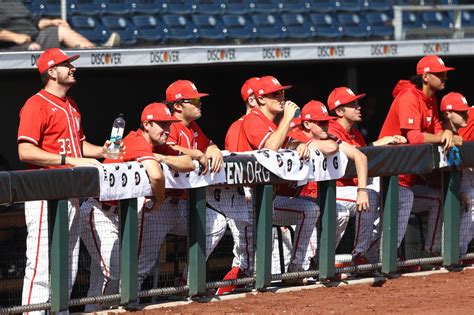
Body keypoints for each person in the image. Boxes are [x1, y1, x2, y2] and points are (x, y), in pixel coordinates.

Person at [17, 48, 112, 313]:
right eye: (66, 64)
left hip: (71, 194)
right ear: (51, 72)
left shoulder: (72, 105)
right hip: (43, 194)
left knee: (68, 264)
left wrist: (101, 152)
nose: (73, 68)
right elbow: (25, 151)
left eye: (71, 64)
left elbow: (78, 147)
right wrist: (69, 160)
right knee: (41, 265)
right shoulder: (36, 103)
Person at [80, 102, 195, 311]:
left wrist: (163, 157)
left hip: (119, 215)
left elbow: (190, 163)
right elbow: (157, 176)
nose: (168, 131)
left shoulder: (157, 145)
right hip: (98, 211)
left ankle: (95, 310)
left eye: (169, 125)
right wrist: (159, 200)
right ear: (147, 124)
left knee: (103, 275)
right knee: (114, 271)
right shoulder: (134, 141)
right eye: (162, 125)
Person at [237, 75, 319, 284]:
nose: (281, 98)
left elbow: (287, 141)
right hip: (246, 201)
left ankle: (296, 269)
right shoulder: (253, 118)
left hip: (268, 199)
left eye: (283, 93)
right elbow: (270, 148)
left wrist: (297, 145)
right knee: (247, 265)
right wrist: (287, 120)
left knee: (310, 210)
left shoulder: (271, 123)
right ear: (261, 99)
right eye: (276, 94)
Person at [379, 55, 455, 257]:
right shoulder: (409, 96)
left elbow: (438, 131)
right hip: (387, 176)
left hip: (406, 178)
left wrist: (446, 133)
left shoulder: (430, 99)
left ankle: (433, 252)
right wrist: (442, 137)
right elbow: (413, 137)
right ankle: (382, 257)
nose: (445, 77)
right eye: (440, 74)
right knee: (404, 199)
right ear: (426, 76)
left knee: (436, 198)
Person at [326, 87, 408, 263]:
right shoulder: (330, 129)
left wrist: (381, 143)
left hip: (352, 187)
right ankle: (360, 254)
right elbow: (353, 156)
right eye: (352, 104)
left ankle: (382, 251)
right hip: (334, 189)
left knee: (404, 195)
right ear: (339, 111)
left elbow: (362, 154)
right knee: (370, 195)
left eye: (357, 102)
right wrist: (377, 144)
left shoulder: (354, 132)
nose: (358, 106)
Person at [162, 79, 228, 286]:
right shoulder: (168, 124)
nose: (200, 104)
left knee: (217, 222)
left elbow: (208, 144)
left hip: (182, 205)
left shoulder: (193, 127)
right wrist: (196, 153)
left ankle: (187, 280)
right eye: (195, 101)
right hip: (158, 206)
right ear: (178, 106)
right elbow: (166, 149)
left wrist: (213, 149)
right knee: (141, 266)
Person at [212, 77, 261, 295]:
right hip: (242, 195)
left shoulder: (257, 124)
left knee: (248, 256)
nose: (279, 99)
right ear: (252, 100)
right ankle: (222, 294)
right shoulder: (242, 125)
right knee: (244, 257)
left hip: (250, 196)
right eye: (271, 95)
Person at [0, 0, 119, 50]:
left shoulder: (15, 2)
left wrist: (51, 22)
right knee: (34, 48)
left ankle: (97, 51)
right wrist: (15, 37)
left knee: (62, 30)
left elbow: (36, 22)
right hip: (13, 45)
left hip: (35, 36)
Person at [438, 92, 472, 260]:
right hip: (426, 185)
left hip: (446, 185)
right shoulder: (440, 132)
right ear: (448, 114)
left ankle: (458, 251)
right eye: (461, 112)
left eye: (466, 111)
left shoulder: (456, 134)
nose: (466, 115)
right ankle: (453, 251)